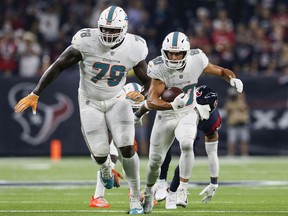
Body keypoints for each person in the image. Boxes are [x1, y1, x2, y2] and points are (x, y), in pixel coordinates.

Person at [14, 6, 151, 214]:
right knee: (99, 154)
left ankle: (134, 198)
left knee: (126, 146)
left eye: (113, 30)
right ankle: (106, 168)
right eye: (105, 29)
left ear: (123, 29)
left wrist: (144, 94)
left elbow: (149, 82)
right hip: (90, 100)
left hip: (117, 99)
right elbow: (58, 65)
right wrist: (36, 92)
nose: (108, 34)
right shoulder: (86, 40)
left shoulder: (135, 47)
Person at [137, 31, 243, 214]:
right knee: (154, 161)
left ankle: (182, 189)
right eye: (170, 52)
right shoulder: (158, 66)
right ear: (164, 52)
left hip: (187, 112)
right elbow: (152, 101)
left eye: (178, 53)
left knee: (187, 143)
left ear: (186, 52)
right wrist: (170, 104)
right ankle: (148, 192)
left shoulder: (197, 59)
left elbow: (220, 71)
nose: (174, 56)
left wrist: (232, 78)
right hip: (166, 114)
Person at [153, 85, 221, 209]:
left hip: (194, 128)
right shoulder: (181, 102)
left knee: (189, 150)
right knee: (164, 144)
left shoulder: (211, 119)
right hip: (178, 116)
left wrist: (214, 183)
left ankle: (174, 192)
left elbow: (212, 152)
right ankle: (161, 182)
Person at [89, 82, 144, 208]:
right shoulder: (114, 104)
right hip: (104, 135)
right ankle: (98, 196)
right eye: (132, 108)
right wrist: (110, 167)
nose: (134, 111)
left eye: (136, 108)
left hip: (121, 136)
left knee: (131, 161)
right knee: (112, 155)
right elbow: (108, 134)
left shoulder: (138, 105)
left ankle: (133, 191)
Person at [224, 88, 250, 156]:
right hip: (233, 124)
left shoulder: (242, 102)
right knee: (231, 141)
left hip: (242, 124)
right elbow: (226, 109)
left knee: (244, 140)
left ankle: (244, 154)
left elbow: (244, 108)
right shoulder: (230, 103)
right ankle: (231, 154)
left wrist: (239, 98)